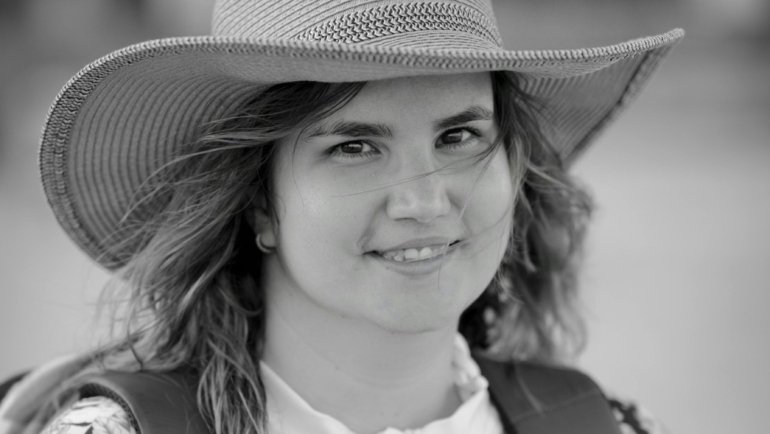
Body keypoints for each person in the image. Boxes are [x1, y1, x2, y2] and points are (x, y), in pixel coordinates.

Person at [0, 0, 683, 433]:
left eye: (460, 138)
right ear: (258, 201)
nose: (423, 202)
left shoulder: (605, 426)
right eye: (355, 147)